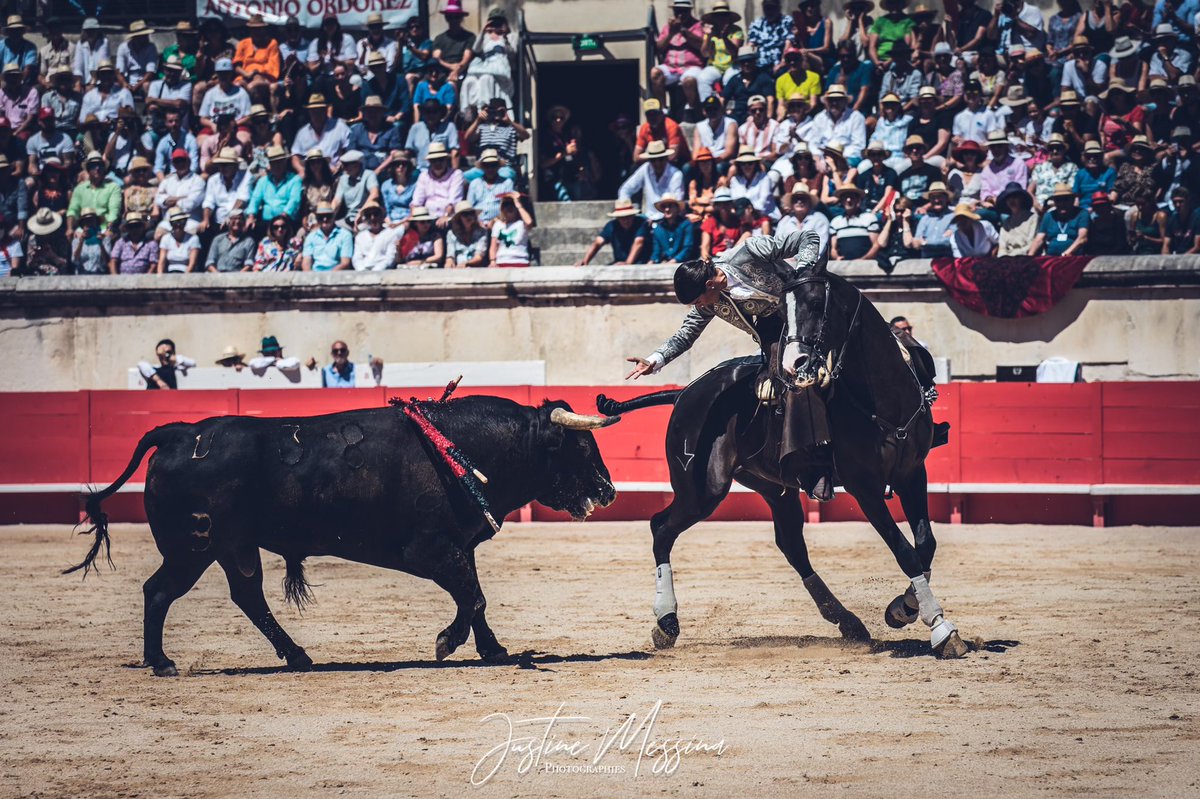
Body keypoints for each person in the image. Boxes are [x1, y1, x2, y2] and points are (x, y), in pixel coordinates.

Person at [650, 0, 706, 114]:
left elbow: (701, 46)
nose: (680, 15)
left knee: (689, 81)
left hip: (691, 67)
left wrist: (683, 30)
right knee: (655, 73)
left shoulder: (698, 26)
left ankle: (691, 109)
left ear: (689, 11)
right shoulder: (668, 28)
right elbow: (659, 48)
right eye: (677, 11)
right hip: (671, 67)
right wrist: (671, 34)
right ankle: (663, 109)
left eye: (683, 11)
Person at [459, 8, 515, 113]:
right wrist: (483, 30)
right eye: (494, 22)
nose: (496, 24)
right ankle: (478, 109)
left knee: (487, 78)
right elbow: (476, 49)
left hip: (501, 66)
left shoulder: (509, 36)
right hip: (487, 65)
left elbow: (512, 54)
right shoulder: (486, 36)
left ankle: (489, 108)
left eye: (499, 22)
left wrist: (505, 36)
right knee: (470, 81)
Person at [618, 140, 684, 222]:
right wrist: (626, 209)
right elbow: (625, 189)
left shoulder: (676, 174)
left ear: (666, 158)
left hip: (668, 219)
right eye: (653, 160)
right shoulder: (645, 168)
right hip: (648, 217)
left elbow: (677, 203)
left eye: (661, 159)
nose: (657, 163)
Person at [246, 145, 302, 236]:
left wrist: (283, 216)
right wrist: (251, 216)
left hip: (286, 221)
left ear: (285, 162)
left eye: (280, 162)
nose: (277, 165)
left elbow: (294, 200)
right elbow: (255, 199)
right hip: (266, 222)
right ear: (270, 165)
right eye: (274, 162)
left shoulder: (295, 179)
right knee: (249, 228)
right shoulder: (263, 181)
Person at [290, 93, 350, 172]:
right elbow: (295, 157)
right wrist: (301, 171)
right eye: (313, 111)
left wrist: (340, 165)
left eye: (320, 110)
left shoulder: (340, 127)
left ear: (326, 110)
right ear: (309, 112)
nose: (316, 114)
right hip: (310, 176)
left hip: (335, 172)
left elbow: (348, 150)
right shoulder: (302, 132)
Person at [578, 199, 650, 266]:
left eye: (628, 217)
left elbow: (639, 242)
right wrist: (585, 261)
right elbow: (598, 242)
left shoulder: (641, 223)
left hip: (641, 262)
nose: (626, 220)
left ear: (633, 216)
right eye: (622, 218)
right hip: (619, 262)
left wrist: (628, 263)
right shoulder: (612, 226)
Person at [806, 85, 866, 164]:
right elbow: (813, 143)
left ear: (845, 101)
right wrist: (818, 158)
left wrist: (838, 158)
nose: (834, 103)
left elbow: (859, 145)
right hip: (823, 157)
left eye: (838, 100)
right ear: (826, 102)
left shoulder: (856, 117)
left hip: (847, 157)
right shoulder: (819, 118)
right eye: (831, 100)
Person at [411, 141, 464, 225]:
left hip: (449, 217)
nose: (437, 163)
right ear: (429, 161)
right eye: (434, 160)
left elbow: (454, 201)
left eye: (440, 160)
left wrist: (445, 216)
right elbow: (417, 201)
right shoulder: (424, 176)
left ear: (446, 160)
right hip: (426, 218)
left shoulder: (456, 174)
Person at [155, 148, 205, 235]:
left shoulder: (198, 180)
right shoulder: (167, 180)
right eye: (177, 161)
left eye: (182, 160)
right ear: (173, 164)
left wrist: (169, 200)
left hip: (190, 221)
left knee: (188, 236)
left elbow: (191, 204)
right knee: (158, 235)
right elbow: (158, 199)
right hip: (168, 220)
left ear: (188, 161)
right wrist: (181, 198)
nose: (180, 164)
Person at [67, 152, 121, 234]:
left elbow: (114, 212)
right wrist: (70, 228)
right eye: (93, 166)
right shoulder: (79, 189)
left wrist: (108, 229)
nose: (97, 168)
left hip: (104, 227)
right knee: (76, 236)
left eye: (100, 165)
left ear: (104, 168)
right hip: (84, 228)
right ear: (88, 170)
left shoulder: (113, 187)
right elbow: (73, 210)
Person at [1029, 183, 1089, 255]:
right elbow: (1039, 239)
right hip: (1052, 258)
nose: (1062, 203)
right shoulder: (1049, 216)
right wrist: (1029, 256)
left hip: (1074, 258)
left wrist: (1066, 253)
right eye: (1058, 200)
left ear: (1072, 200)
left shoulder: (1082, 214)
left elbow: (1082, 238)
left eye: (1066, 199)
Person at [829, 186, 879, 260]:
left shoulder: (869, 218)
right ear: (842, 201)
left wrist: (863, 259)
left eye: (852, 197)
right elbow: (833, 249)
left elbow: (876, 245)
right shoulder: (835, 222)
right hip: (843, 266)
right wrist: (837, 257)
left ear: (858, 200)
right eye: (845, 197)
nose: (848, 200)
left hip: (866, 265)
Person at [776, 185, 830, 253]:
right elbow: (777, 245)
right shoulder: (784, 221)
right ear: (791, 203)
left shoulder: (819, 219)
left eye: (803, 199)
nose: (799, 201)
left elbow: (820, 246)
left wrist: (797, 258)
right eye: (796, 199)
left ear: (809, 202)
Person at [905, 181, 954, 256]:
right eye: (933, 197)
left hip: (947, 259)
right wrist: (920, 242)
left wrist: (925, 242)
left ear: (946, 198)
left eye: (939, 197)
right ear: (930, 200)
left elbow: (949, 242)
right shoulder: (925, 219)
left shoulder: (954, 217)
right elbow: (916, 243)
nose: (936, 200)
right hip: (927, 260)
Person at [465, 148, 513, 223]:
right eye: (487, 166)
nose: (490, 169)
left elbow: (508, 208)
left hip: (499, 222)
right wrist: (477, 222)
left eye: (493, 165)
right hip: (477, 223)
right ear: (482, 167)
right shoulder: (475, 183)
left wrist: (495, 221)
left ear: (498, 166)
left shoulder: (507, 183)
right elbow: (469, 207)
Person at [431, 0, 475, 82]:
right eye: (450, 17)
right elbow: (437, 58)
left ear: (461, 18)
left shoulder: (470, 37)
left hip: (463, 71)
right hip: (442, 71)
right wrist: (451, 67)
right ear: (446, 18)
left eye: (456, 17)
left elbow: (466, 59)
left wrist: (456, 70)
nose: (453, 20)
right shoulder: (439, 39)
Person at [335, 150, 380, 228]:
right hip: (348, 218)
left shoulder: (369, 175)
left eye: (347, 165)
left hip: (366, 217)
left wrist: (362, 212)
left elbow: (374, 194)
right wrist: (330, 217)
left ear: (357, 164)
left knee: (362, 229)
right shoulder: (343, 179)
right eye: (343, 165)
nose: (344, 168)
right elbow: (337, 201)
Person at [352, 201, 403, 270]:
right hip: (363, 271)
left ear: (382, 216)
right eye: (368, 215)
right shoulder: (360, 237)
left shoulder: (390, 234)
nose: (372, 218)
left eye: (376, 214)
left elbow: (390, 257)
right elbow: (357, 257)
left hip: (383, 272)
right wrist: (361, 269)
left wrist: (376, 270)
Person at [302, 203, 353, 271]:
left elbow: (345, 263)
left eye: (328, 216)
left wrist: (328, 277)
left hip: (337, 276)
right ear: (316, 218)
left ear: (333, 217)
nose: (325, 219)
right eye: (321, 216)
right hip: (315, 276)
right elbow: (306, 262)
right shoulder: (311, 237)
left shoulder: (345, 235)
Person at [649, 194, 697, 265]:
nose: (667, 209)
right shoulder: (658, 228)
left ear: (677, 208)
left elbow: (688, 248)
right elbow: (657, 250)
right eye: (664, 206)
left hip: (684, 264)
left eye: (670, 206)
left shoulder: (686, 224)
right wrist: (652, 260)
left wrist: (675, 260)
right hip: (665, 262)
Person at [489, 193, 534, 267]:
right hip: (502, 261)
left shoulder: (521, 224)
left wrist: (518, 204)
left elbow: (529, 222)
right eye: (506, 205)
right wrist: (492, 261)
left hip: (520, 261)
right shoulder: (498, 225)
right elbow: (493, 246)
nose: (509, 207)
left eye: (512, 204)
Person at [1072, 140, 1117, 210]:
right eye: (1088, 156)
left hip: (1103, 208)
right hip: (1083, 208)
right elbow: (1076, 198)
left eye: (1096, 156)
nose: (1092, 159)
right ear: (1084, 158)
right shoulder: (1080, 174)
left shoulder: (1110, 172)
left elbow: (1112, 197)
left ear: (1101, 157)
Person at [444, 200, 489, 268]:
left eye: (471, 213)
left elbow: (479, 257)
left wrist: (466, 264)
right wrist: (449, 262)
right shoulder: (451, 234)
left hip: (476, 269)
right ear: (459, 218)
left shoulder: (482, 233)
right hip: (457, 269)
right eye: (465, 214)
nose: (469, 217)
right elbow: (450, 255)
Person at [996, 182, 1038, 256]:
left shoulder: (1033, 218)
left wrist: (1015, 254)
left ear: (1021, 199)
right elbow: (1002, 247)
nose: (1011, 201)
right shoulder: (1006, 222)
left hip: (1026, 257)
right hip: (1007, 259)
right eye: (1008, 198)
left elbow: (1031, 244)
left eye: (1015, 197)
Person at [157, 208, 201, 273]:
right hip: (170, 273)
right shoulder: (166, 238)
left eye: (181, 222)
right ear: (171, 224)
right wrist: (160, 277)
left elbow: (192, 263)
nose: (178, 225)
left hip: (187, 273)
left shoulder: (194, 238)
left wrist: (184, 279)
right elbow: (161, 261)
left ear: (185, 222)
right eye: (175, 223)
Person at [72, 208, 112, 274]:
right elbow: (75, 260)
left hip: (99, 275)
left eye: (91, 221)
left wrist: (101, 244)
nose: (89, 225)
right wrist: (81, 242)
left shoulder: (105, 239)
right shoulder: (76, 241)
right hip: (81, 276)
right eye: (86, 222)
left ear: (96, 223)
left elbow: (107, 261)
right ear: (83, 225)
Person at [381, 153, 418, 223]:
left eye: (404, 164)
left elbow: (414, 208)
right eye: (397, 164)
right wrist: (389, 222)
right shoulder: (386, 185)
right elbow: (386, 208)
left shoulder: (415, 185)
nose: (400, 167)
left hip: (408, 221)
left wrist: (403, 222)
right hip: (391, 221)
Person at [1163, 186, 1200, 254]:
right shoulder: (1172, 219)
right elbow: (1166, 244)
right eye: (1175, 202)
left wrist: (1181, 260)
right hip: (1177, 256)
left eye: (1181, 201)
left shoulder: (1197, 219)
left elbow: (1197, 246)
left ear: (1188, 200)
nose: (1178, 205)